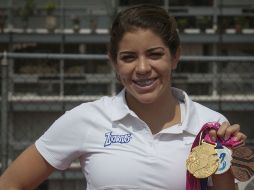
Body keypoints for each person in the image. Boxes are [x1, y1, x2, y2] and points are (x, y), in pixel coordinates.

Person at [0, 4, 247, 190]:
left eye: (154, 54)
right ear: (114, 63)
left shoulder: (211, 125)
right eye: (128, 57)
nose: (141, 68)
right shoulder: (86, 119)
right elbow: (11, 183)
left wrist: (224, 154)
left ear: (175, 56)